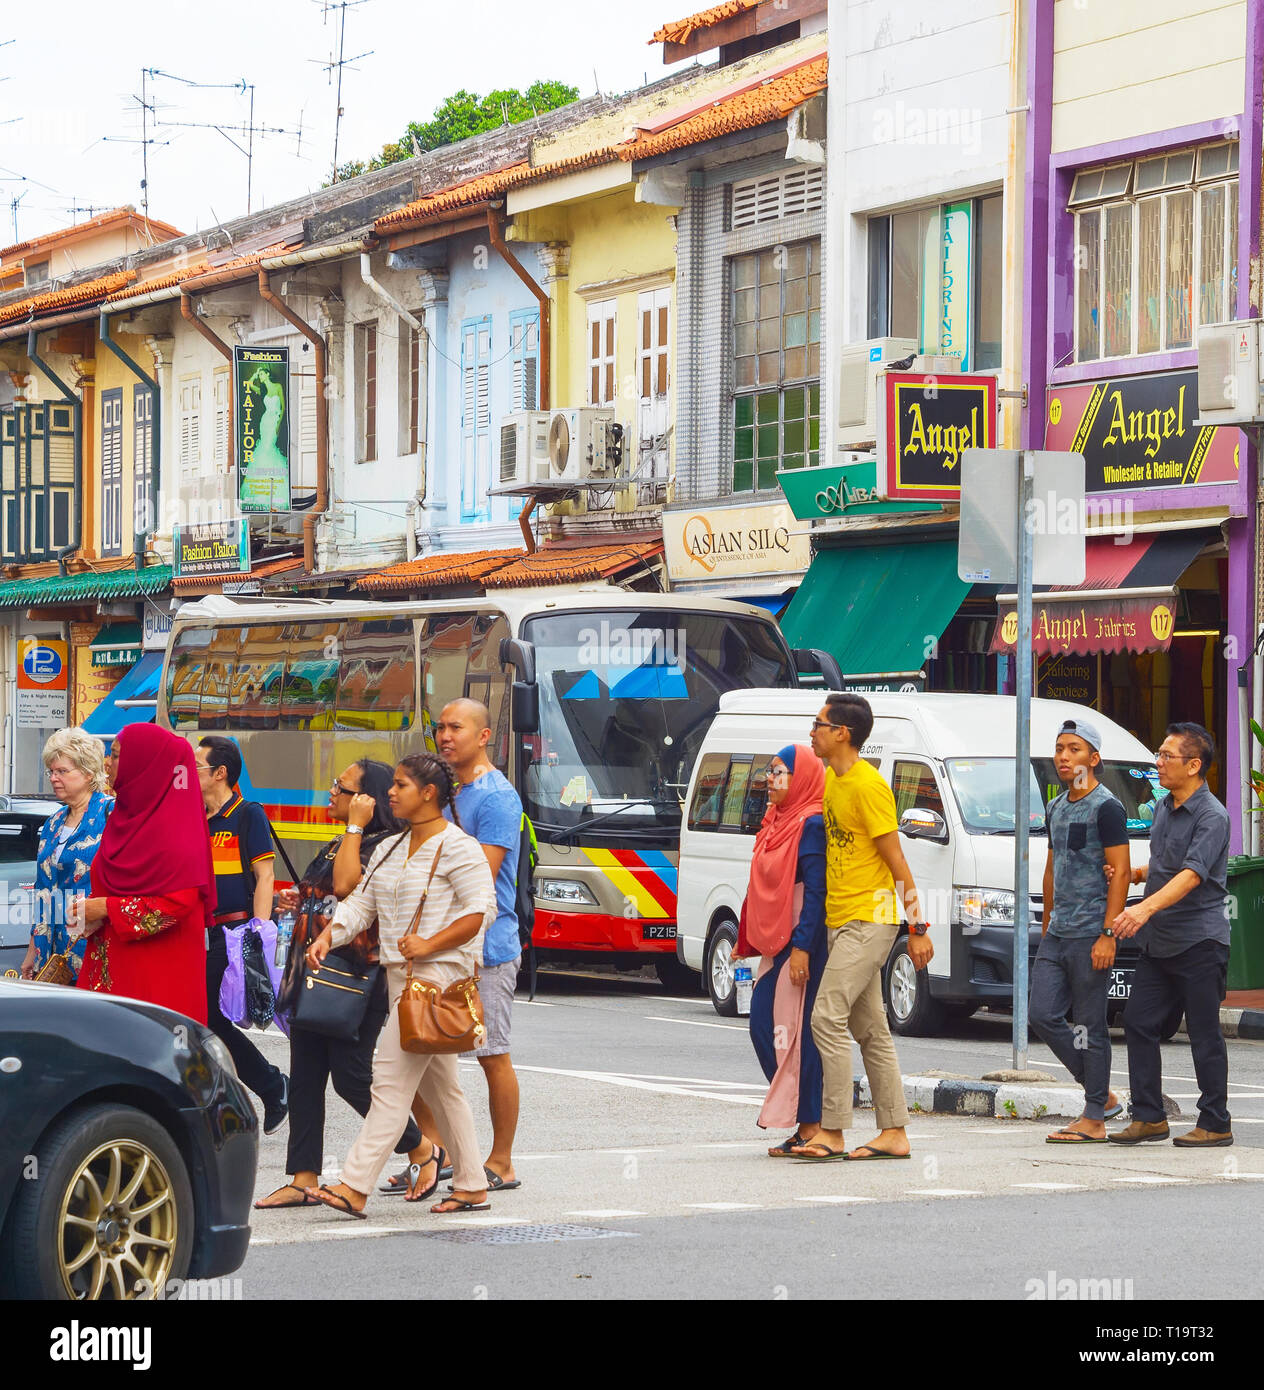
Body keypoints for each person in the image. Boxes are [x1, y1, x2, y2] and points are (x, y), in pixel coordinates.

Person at [303, 753, 495, 1218]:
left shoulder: (459, 846)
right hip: (399, 977)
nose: (391, 792)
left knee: (388, 1083)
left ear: (429, 793)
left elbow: (480, 911)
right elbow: (361, 902)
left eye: (402, 785)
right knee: (442, 1088)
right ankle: (471, 1184)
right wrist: (331, 933)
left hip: (437, 979)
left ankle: (354, 1184)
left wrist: (429, 944)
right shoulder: (392, 845)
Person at [253, 759, 425, 1209]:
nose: (332, 793)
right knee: (307, 1075)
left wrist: (355, 827)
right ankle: (303, 1176)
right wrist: (301, 899)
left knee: (352, 1076)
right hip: (316, 974)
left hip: (358, 978)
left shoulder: (384, 845)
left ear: (367, 801)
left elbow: (350, 886)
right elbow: (328, 890)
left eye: (342, 788)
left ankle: (423, 1149)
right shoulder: (339, 842)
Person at [384, 698, 525, 1196]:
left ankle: (501, 1161)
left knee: (491, 1054)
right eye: (440, 727)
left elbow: (480, 881)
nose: (445, 736)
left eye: (456, 728)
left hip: (487, 944)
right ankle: (437, 1152)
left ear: (483, 736)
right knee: (421, 1047)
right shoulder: (445, 790)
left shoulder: (497, 797)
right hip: (433, 947)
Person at [792, 693, 934, 1161]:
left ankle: (832, 1131)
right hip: (842, 920)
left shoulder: (869, 786)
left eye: (818, 724)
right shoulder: (834, 779)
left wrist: (918, 926)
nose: (811, 730)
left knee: (825, 1018)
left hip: (869, 921)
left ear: (842, 734)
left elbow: (898, 862)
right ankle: (894, 1131)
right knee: (871, 1029)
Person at [1110, 722, 1234, 1148]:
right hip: (1159, 943)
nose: (1157, 762)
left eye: (1166, 756)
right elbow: (1164, 865)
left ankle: (1215, 1122)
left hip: (1199, 942)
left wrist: (1141, 908)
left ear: (1194, 765)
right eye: (1158, 754)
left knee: (1203, 1033)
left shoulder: (1212, 816)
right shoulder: (1163, 807)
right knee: (1139, 1021)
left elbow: (1190, 877)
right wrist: (1133, 876)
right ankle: (1149, 1117)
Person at [1031, 718, 1130, 1143]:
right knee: (1042, 1014)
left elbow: (1122, 871)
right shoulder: (1055, 806)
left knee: (1089, 1023)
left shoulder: (1108, 807)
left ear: (1094, 758)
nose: (1064, 757)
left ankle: (1094, 1117)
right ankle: (1101, 1095)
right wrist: (1048, 918)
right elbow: (1052, 868)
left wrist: (1108, 933)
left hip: (1093, 932)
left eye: (1073, 749)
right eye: (1059, 749)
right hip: (1058, 931)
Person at [72, 724, 214, 1021]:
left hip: (155, 977)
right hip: (111, 965)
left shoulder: (178, 829)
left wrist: (105, 908)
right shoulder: (124, 817)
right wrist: (93, 913)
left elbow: (176, 904)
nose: (107, 764)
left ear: (146, 765)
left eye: (116, 755)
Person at [732, 744, 827, 1155]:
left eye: (779, 772)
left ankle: (811, 1125)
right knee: (762, 1026)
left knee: (801, 1036)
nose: (769, 779)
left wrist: (803, 948)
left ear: (800, 778)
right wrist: (747, 939)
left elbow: (816, 892)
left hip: (802, 943)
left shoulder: (811, 823)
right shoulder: (774, 820)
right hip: (776, 942)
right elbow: (761, 887)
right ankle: (802, 1115)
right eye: (769, 771)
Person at [195, 734, 289, 1134]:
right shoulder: (195, 816)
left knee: (212, 1018)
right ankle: (262, 1089)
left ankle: (268, 1085)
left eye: (198, 766)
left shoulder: (247, 813)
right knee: (199, 1019)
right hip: (198, 932)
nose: (190, 772)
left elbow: (264, 875)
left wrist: (257, 933)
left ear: (220, 773)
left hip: (234, 932)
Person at [21, 729, 113, 982]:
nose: (53, 778)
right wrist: (32, 951)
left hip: (93, 946)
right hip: (50, 953)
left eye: (62, 771)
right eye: (51, 772)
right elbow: (42, 890)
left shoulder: (111, 814)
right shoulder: (53, 822)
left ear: (88, 772)